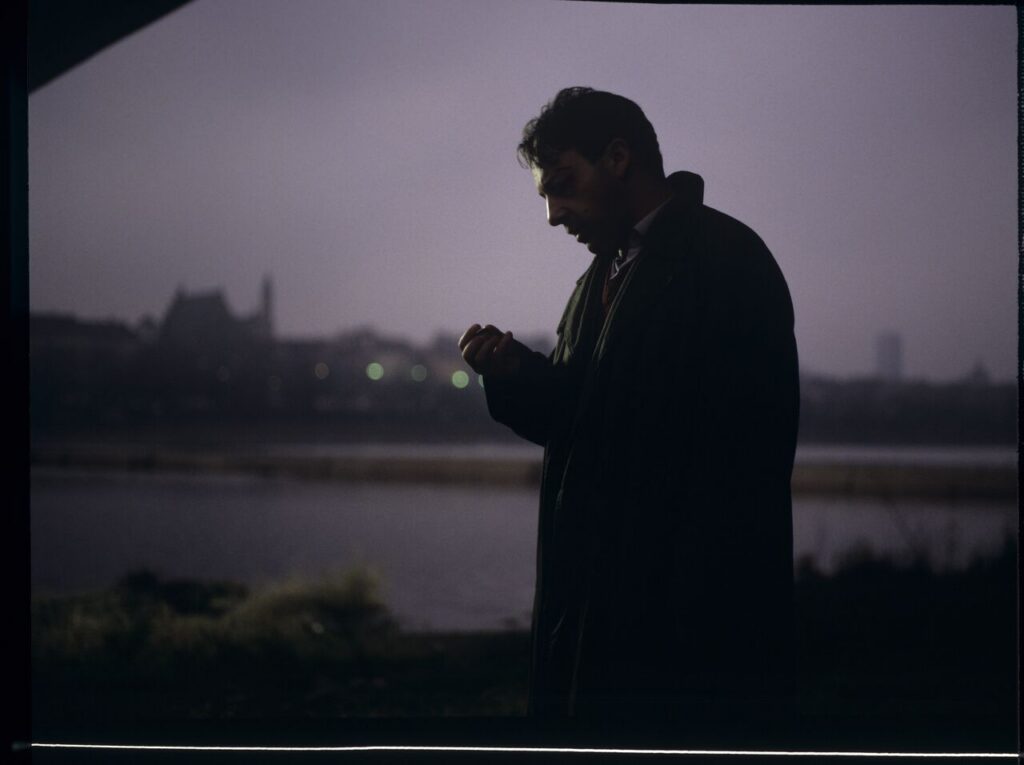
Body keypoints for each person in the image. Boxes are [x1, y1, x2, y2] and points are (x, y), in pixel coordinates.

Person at [459, 87, 799, 723]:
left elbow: (741, 462)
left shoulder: (726, 261)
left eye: (563, 184)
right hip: (597, 609)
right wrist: (514, 375)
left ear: (618, 157)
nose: (555, 214)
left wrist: (688, 616)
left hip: (685, 629)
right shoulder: (599, 276)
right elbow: (584, 417)